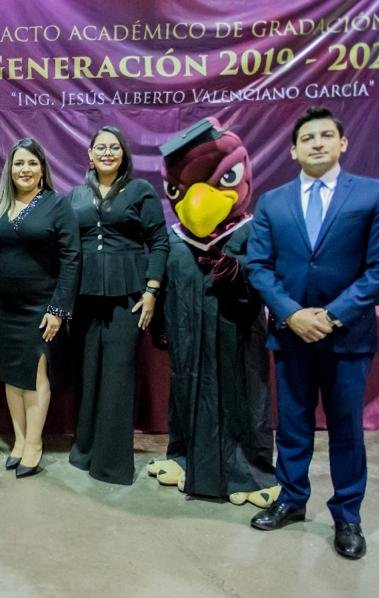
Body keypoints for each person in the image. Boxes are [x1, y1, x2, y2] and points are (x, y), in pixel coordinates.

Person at [246, 107, 379, 560]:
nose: (317, 143)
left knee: (346, 429)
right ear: (293, 151)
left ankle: (347, 515)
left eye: (326, 135)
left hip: (347, 337)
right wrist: (292, 314)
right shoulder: (273, 202)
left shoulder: (374, 195)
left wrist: (333, 316)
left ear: (342, 143)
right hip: (290, 334)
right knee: (292, 425)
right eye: (307, 138)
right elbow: (259, 267)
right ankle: (292, 499)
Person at [149, 118, 277, 506]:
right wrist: (161, 324)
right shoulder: (175, 238)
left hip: (238, 336)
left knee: (243, 396)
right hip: (188, 338)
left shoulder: (252, 231)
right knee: (186, 391)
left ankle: (250, 473)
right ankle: (184, 458)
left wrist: (240, 274)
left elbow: (272, 281)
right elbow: (166, 285)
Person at [66, 126, 168, 485]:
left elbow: (159, 242)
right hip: (84, 298)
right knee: (88, 372)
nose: (107, 152)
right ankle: (85, 451)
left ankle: (111, 464)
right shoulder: (75, 194)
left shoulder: (140, 191)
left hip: (129, 298)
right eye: (101, 147)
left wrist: (152, 290)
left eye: (114, 147)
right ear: (90, 155)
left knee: (118, 375)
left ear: (123, 154)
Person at [0, 138, 80, 478]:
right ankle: (19, 441)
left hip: (41, 309)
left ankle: (34, 445)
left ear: (42, 169)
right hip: (3, 309)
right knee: (11, 376)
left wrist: (59, 308)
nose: (25, 169)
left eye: (32, 163)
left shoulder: (57, 205)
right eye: (19, 163)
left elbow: (71, 258)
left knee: (36, 377)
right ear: (10, 169)